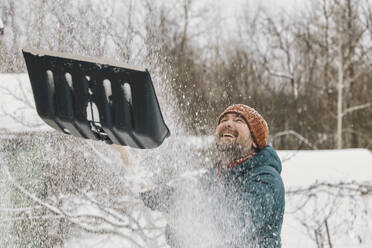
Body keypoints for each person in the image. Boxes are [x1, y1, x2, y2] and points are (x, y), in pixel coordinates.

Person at [141, 104, 285, 248]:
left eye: (239, 120)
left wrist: (176, 202)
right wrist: (177, 226)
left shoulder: (266, 178)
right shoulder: (214, 176)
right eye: (223, 120)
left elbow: (233, 224)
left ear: (255, 141)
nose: (228, 123)